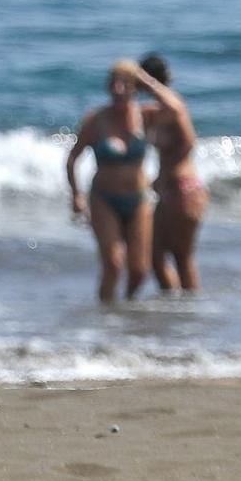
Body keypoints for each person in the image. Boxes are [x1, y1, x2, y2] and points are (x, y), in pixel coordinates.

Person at [66, 60, 154, 302]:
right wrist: (76, 195)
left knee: (139, 271)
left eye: (125, 83)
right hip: (104, 199)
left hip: (139, 200)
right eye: (113, 83)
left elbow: (177, 109)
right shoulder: (96, 120)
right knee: (114, 264)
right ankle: (106, 319)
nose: (117, 89)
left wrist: (147, 80)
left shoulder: (146, 116)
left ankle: (124, 313)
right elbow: (72, 159)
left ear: (135, 88)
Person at [138, 53, 208, 292]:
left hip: (184, 189)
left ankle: (187, 313)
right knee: (154, 255)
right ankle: (174, 309)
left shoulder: (174, 105)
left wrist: (146, 81)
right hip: (169, 191)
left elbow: (190, 142)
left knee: (182, 256)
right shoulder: (154, 111)